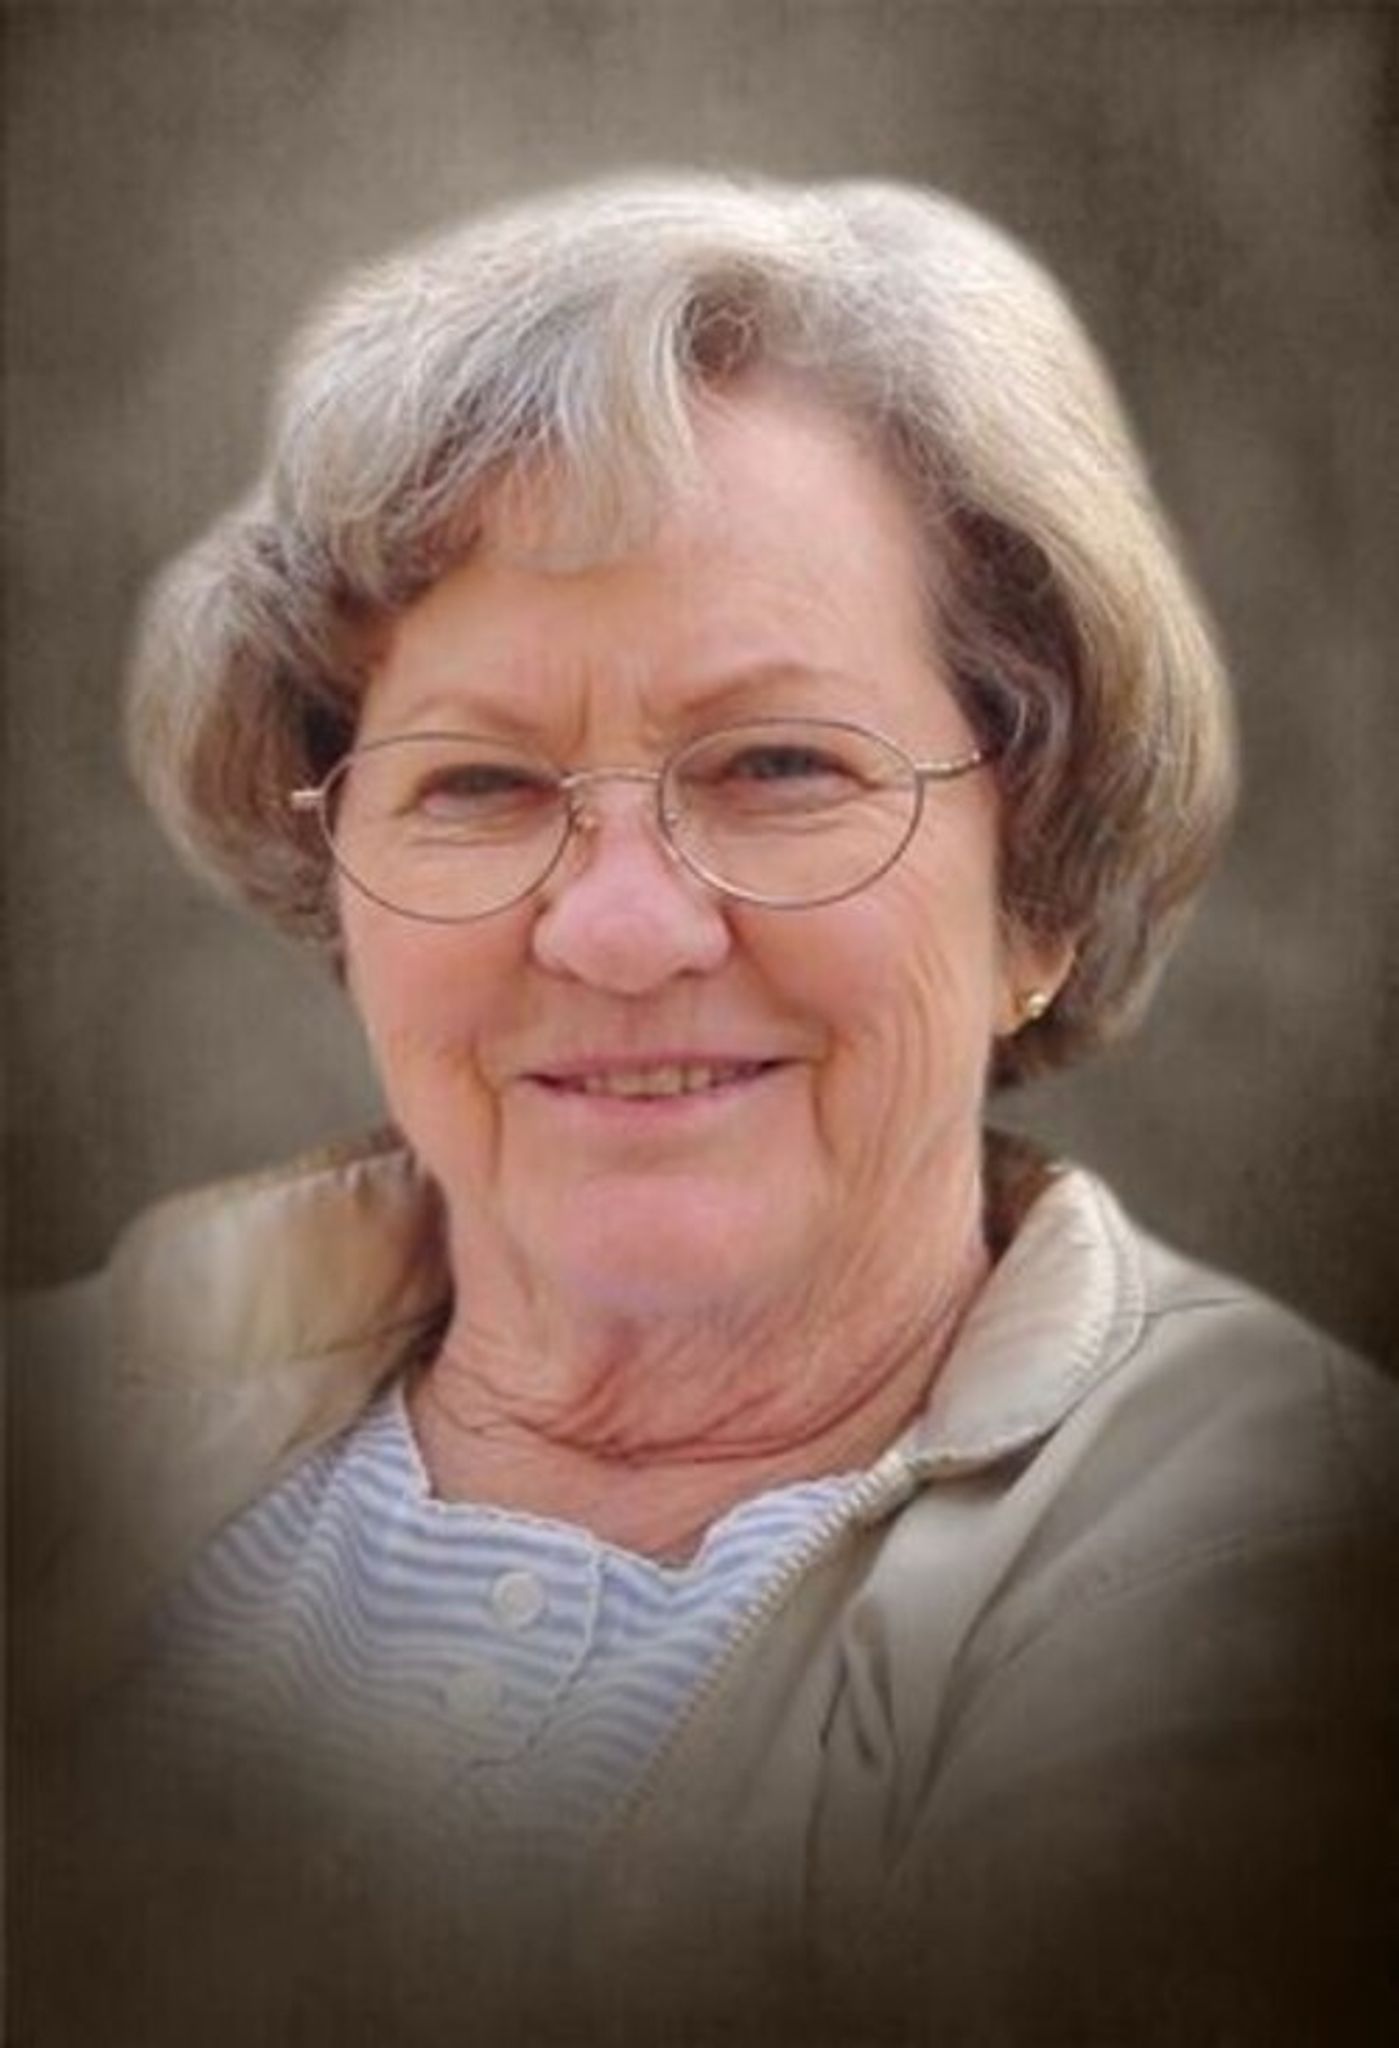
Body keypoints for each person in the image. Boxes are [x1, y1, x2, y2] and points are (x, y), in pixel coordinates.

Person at [13, 172, 1397, 2046]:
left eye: (778, 766)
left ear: (1039, 894)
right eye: (480, 786)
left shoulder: (1270, 1547)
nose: (617, 929)